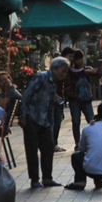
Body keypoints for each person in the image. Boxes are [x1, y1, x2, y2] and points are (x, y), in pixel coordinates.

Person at [19, 57, 70, 188]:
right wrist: (23, 115)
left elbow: (50, 103)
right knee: (32, 149)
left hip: (45, 120)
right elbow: (26, 96)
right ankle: (34, 179)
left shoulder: (54, 83)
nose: (64, 74)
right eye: (63, 71)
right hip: (32, 117)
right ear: (55, 68)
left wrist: (51, 122)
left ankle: (47, 178)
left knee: (48, 147)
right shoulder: (41, 77)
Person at [66, 50, 99, 150]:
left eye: (81, 58)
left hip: (86, 99)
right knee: (76, 122)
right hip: (74, 99)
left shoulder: (87, 69)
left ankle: (93, 140)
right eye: (77, 59)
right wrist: (86, 71)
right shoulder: (70, 70)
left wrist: (95, 71)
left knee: (91, 120)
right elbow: (74, 74)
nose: (79, 61)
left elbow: (96, 75)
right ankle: (78, 143)